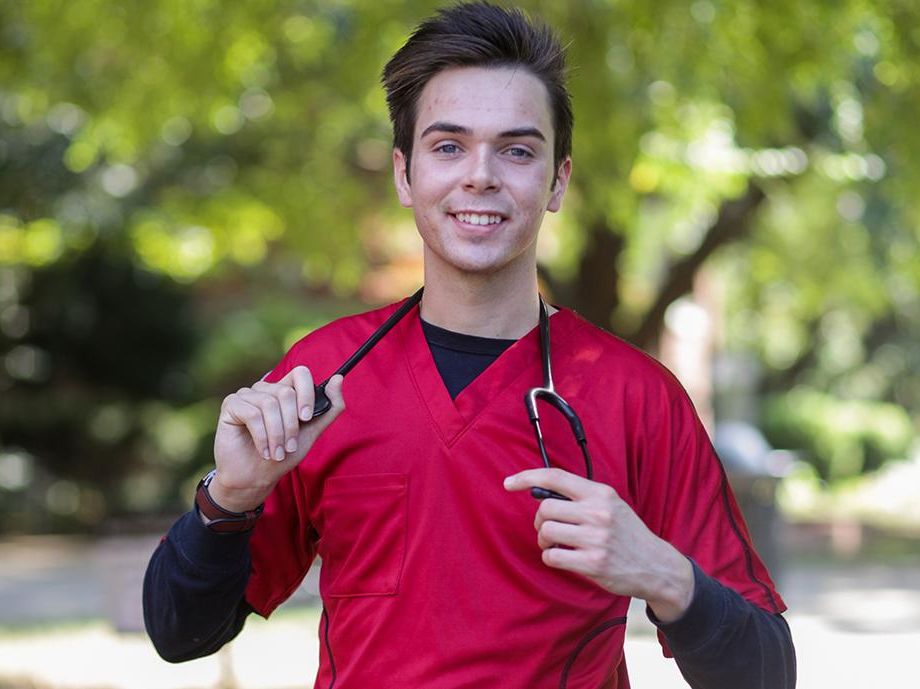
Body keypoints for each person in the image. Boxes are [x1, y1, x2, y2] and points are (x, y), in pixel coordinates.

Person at [143, 3, 797, 688]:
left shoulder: (636, 396)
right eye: (448, 146)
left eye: (517, 150)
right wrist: (230, 497)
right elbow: (180, 631)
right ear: (404, 174)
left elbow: (766, 673)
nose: (480, 175)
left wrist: (660, 570)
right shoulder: (323, 379)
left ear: (558, 181)